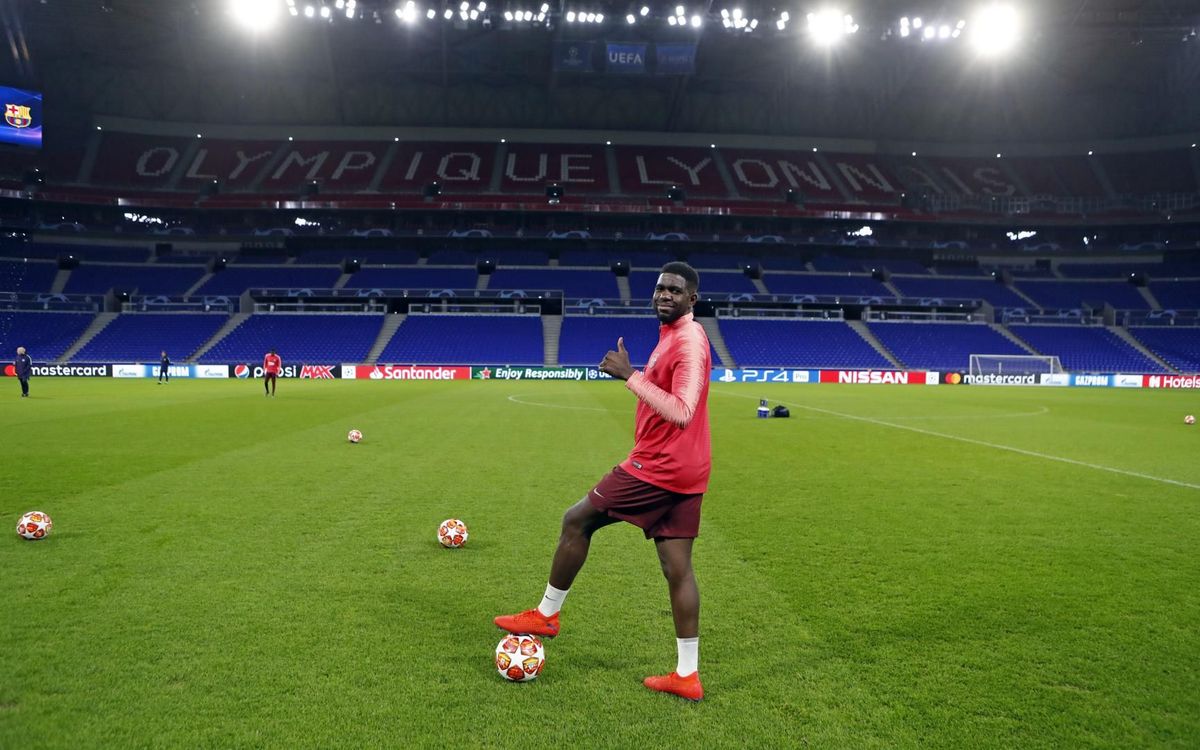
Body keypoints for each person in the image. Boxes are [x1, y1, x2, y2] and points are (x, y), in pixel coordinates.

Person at [494, 261, 712, 701]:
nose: (664, 296)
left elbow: (682, 412)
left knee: (577, 520)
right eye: (659, 289)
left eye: (674, 290)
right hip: (688, 470)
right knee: (677, 567)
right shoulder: (676, 336)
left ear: (692, 299)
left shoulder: (688, 341)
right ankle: (687, 675)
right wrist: (643, 374)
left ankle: (546, 615)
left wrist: (629, 376)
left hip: (658, 466)